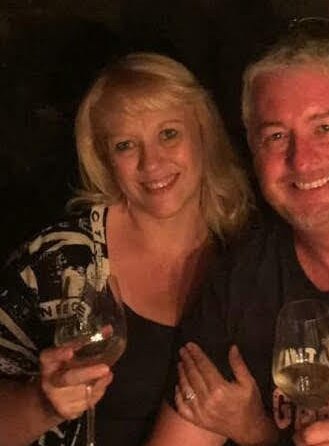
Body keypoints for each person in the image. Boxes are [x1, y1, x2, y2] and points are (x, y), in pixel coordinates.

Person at [147, 17, 329, 446]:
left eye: (325, 128)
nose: (302, 161)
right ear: (254, 153)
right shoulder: (240, 281)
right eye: (276, 136)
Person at [0, 52, 252, 446]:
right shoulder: (59, 261)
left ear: (203, 133)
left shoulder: (253, 248)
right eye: (125, 145)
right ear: (104, 158)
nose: (151, 163)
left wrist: (254, 428)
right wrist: (42, 404)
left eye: (169, 134)